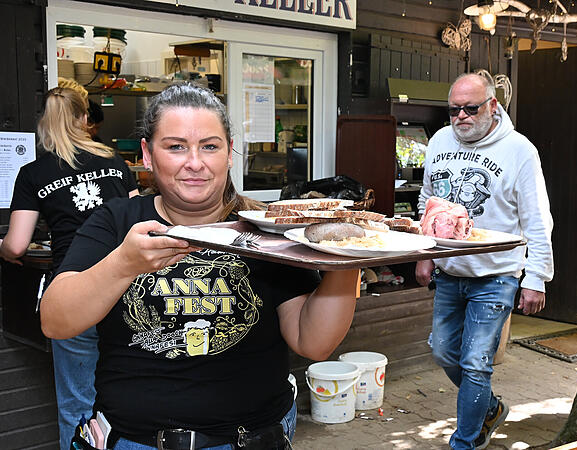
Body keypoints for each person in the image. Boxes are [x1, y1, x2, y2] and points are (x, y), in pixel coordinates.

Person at [39, 83, 359, 449]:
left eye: (210, 146)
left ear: (229, 154)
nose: (195, 163)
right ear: (147, 154)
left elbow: (313, 342)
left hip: (254, 439)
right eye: (176, 147)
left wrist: (350, 257)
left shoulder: (265, 226)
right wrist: (123, 264)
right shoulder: (117, 221)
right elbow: (55, 320)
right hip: (137, 442)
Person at [415, 73, 554, 449]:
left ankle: (466, 441)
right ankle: (489, 408)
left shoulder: (519, 150)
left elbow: (538, 219)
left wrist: (536, 276)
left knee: (476, 362)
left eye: (470, 108)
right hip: (449, 270)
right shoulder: (440, 141)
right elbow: (429, 198)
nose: (461, 116)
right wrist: (424, 252)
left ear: (493, 106)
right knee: (444, 352)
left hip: (496, 275)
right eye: (453, 110)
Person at [0, 86, 138, 450]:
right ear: (84, 119)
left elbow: (16, 244)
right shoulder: (115, 163)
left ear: (44, 122)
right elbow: (140, 221)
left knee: (78, 404)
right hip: (125, 290)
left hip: (73, 291)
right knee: (133, 393)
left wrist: (4, 249)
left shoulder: (33, 173)